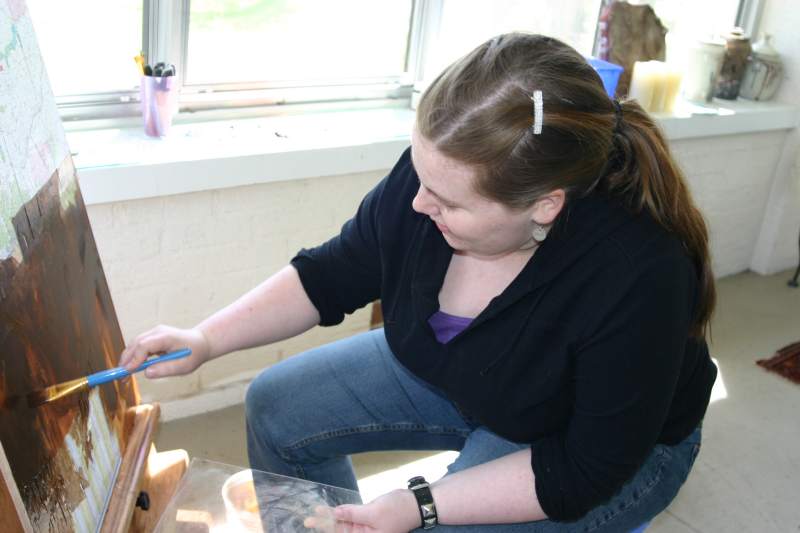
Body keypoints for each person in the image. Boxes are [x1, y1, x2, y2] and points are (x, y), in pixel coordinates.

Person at [120, 33, 717, 532]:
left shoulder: (636, 272)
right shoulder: (438, 173)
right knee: (274, 408)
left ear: (544, 206)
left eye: (448, 200)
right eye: (420, 173)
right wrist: (204, 339)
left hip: (586, 447)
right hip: (476, 377)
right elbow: (333, 273)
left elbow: (582, 469)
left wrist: (417, 505)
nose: (416, 201)